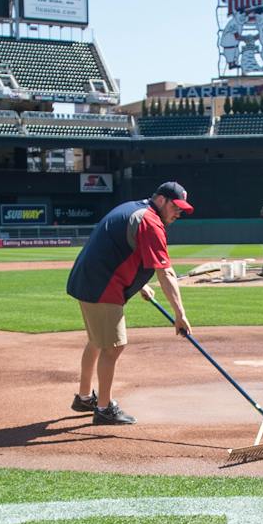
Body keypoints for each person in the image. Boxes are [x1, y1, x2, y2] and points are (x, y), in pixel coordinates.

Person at [63, 181, 194, 425]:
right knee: (113, 346)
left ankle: (83, 397)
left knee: (97, 340)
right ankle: (104, 409)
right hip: (102, 286)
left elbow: (120, 248)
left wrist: (140, 284)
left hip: (88, 280)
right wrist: (180, 314)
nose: (179, 213)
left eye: (182, 209)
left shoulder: (136, 209)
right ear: (162, 200)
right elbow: (165, 273)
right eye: (176, 207)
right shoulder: (151, 222)